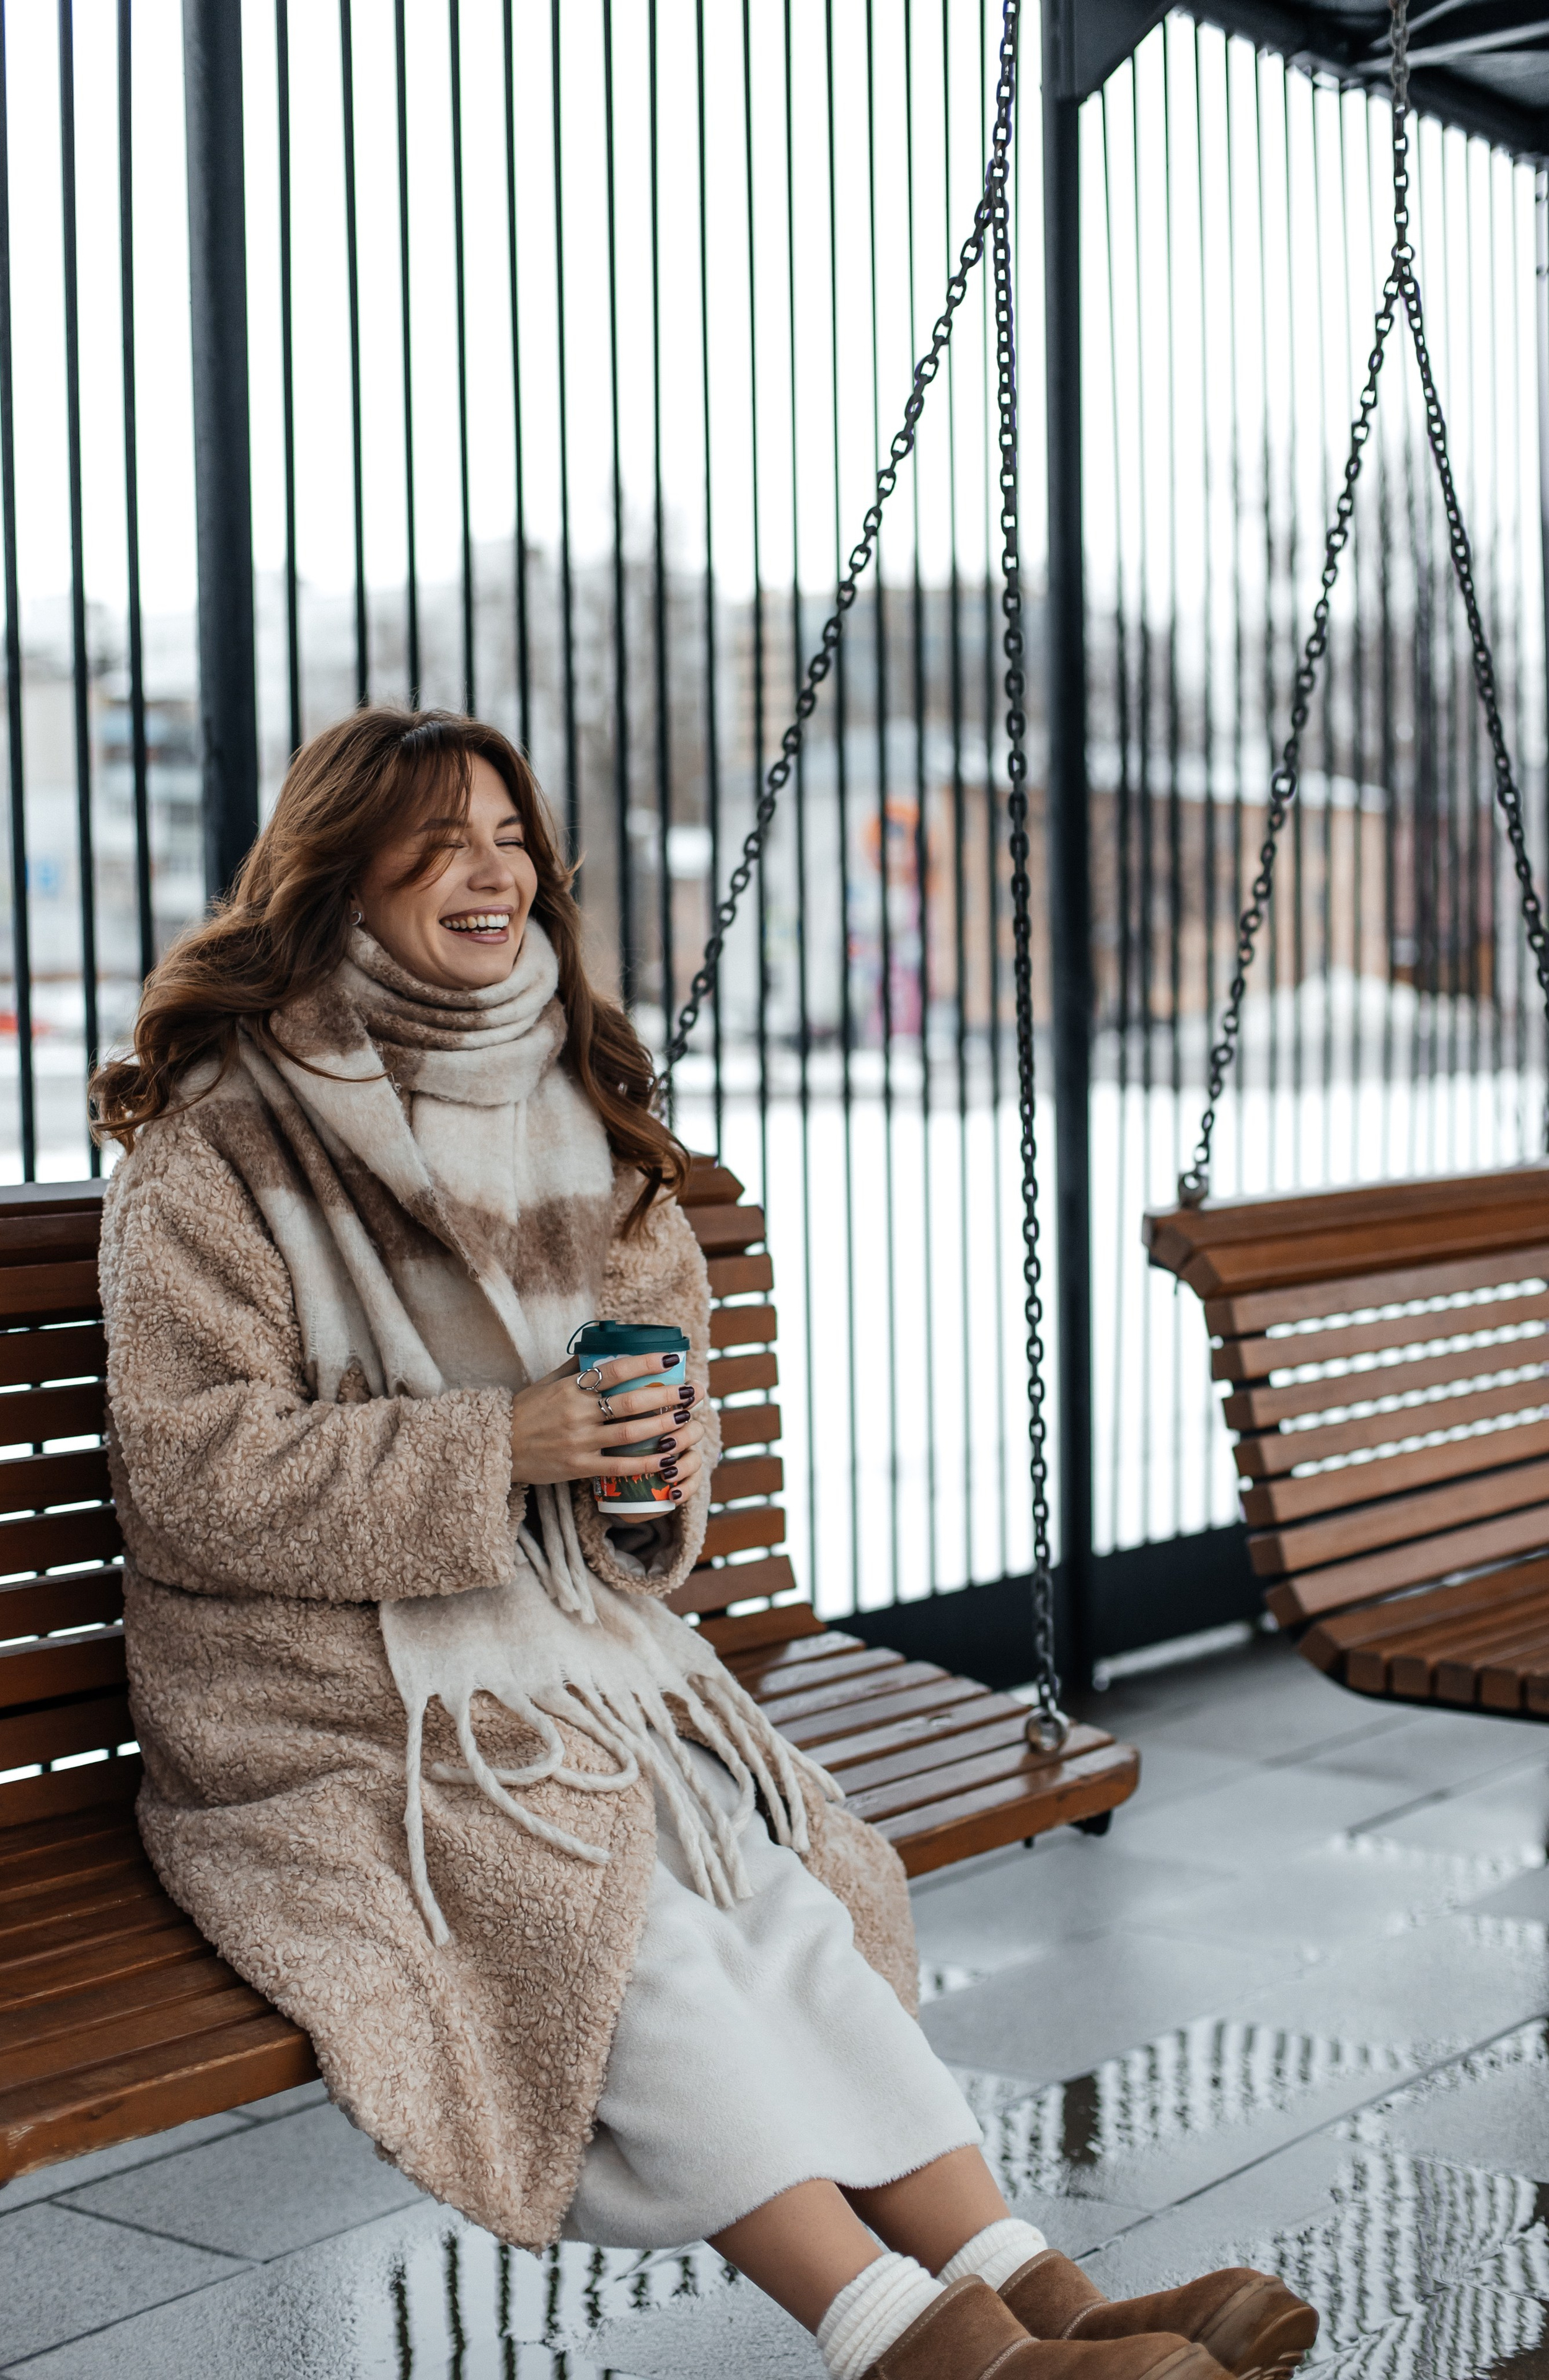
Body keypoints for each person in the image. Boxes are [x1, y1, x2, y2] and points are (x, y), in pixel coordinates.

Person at [92, 710, 1317, 2380]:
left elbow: (645, 1488)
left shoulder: (575, 1108)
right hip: (322, 1695)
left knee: (773, 1883)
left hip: (557, 1656)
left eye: (511, 835)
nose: (493, 869)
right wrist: (493, 1445)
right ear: (341, 871)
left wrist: (645, 1468)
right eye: (442, 839)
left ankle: (1046, 2296)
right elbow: (190, 1475)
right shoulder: (222, 1138)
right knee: (608, 1904)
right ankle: (909, 2341)